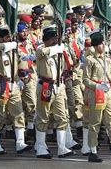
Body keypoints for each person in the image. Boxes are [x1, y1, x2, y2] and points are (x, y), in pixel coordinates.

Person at [83, 30, 111, 162]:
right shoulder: (89, 60)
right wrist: (97, 86)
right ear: (96, 45)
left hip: (108, 92)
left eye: (104, 43)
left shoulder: (108, 60)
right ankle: (92, 150)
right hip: (96, 93)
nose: (103, 46)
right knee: (95, 122)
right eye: (101, 44)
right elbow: (86, 79)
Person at [0, 24, 32, 154]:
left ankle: (20, 142)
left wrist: (25, 74)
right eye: (7, 37)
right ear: (2, 38)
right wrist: (13, 44)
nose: (10, 38)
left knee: (18, 113)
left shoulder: (14, 50)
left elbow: (23, 60)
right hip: (1, 86)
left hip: (14, 85)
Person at [34, 25, 73, 159]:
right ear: (46, 40)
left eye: (56, 38)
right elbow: (39, 53)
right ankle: (40, 146)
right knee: (43, 117)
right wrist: (55, 48)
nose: (55, 40)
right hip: (46, 85)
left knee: (62, 117)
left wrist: (61, 49)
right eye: (52, 39)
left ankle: (62, 147)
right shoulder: (41, 49)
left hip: (59, 86)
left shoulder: (58, 51)